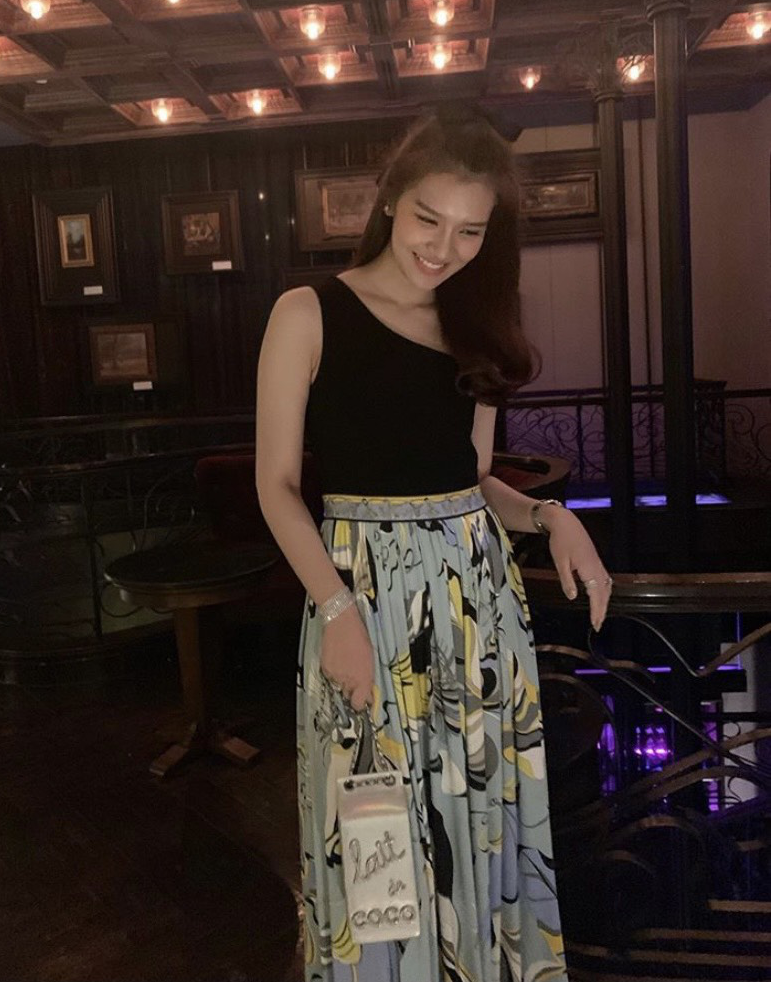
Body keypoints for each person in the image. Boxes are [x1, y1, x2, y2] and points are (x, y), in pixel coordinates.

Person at [255, 105, 613, 982]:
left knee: (477, 819)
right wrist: (336, 608)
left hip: (476, 612)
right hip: (363, 605)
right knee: (371, 830)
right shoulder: (309, 313)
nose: (444, 247)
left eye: (469, 231)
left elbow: (471, 477)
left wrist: (550, 517)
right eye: (428, 218)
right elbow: (276, 485)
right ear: (389, 199)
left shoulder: (475, 326)